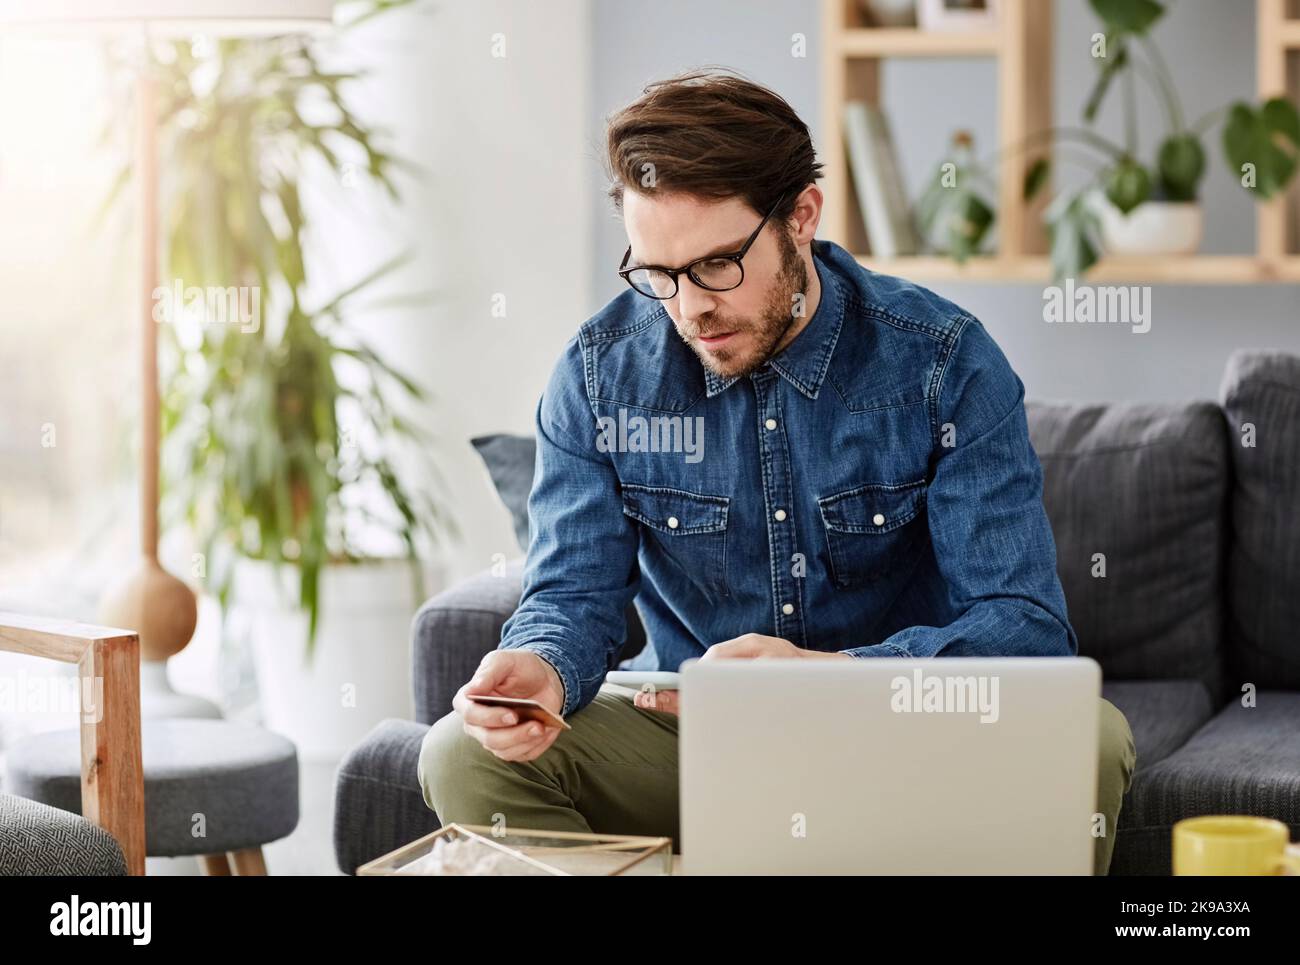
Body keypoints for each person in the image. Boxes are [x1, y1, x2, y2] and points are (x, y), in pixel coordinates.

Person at [419, 69, 1136, 874]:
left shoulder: (943, 364)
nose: (689, 308)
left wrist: (834, 679)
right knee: (458, 755)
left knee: (1090, 739)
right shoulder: (597, 377)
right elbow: (571, 597)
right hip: (693, 736)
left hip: (905, 729)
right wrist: (540, 665)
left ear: (801, 216)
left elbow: (1027, 629)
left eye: (718, 265)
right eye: (659, 274)